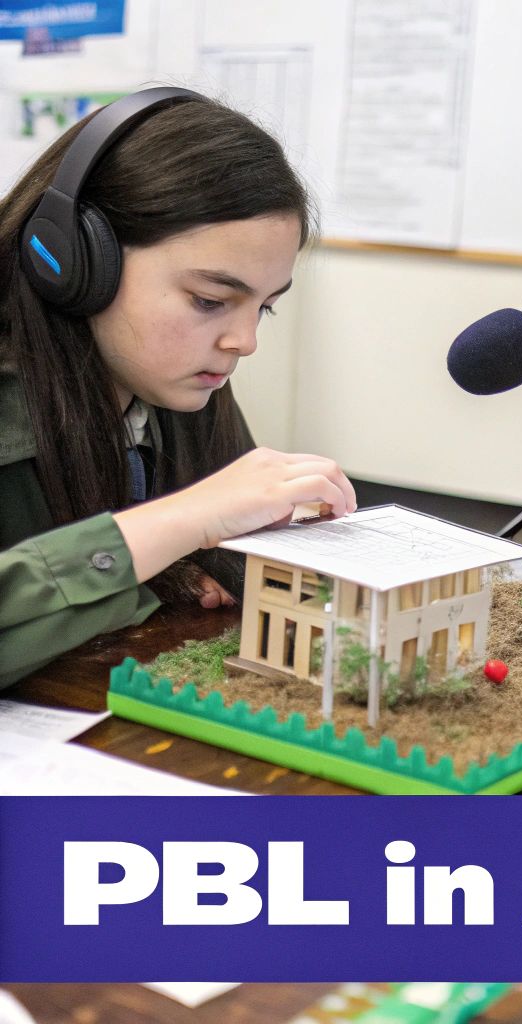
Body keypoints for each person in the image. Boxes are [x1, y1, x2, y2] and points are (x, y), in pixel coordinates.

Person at [0, 88, 357, 688]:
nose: (243, 341)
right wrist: (181, 522)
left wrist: (201, 559)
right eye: (211, 301)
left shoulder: (179, 384)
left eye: (264, 308)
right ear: (75, 261)